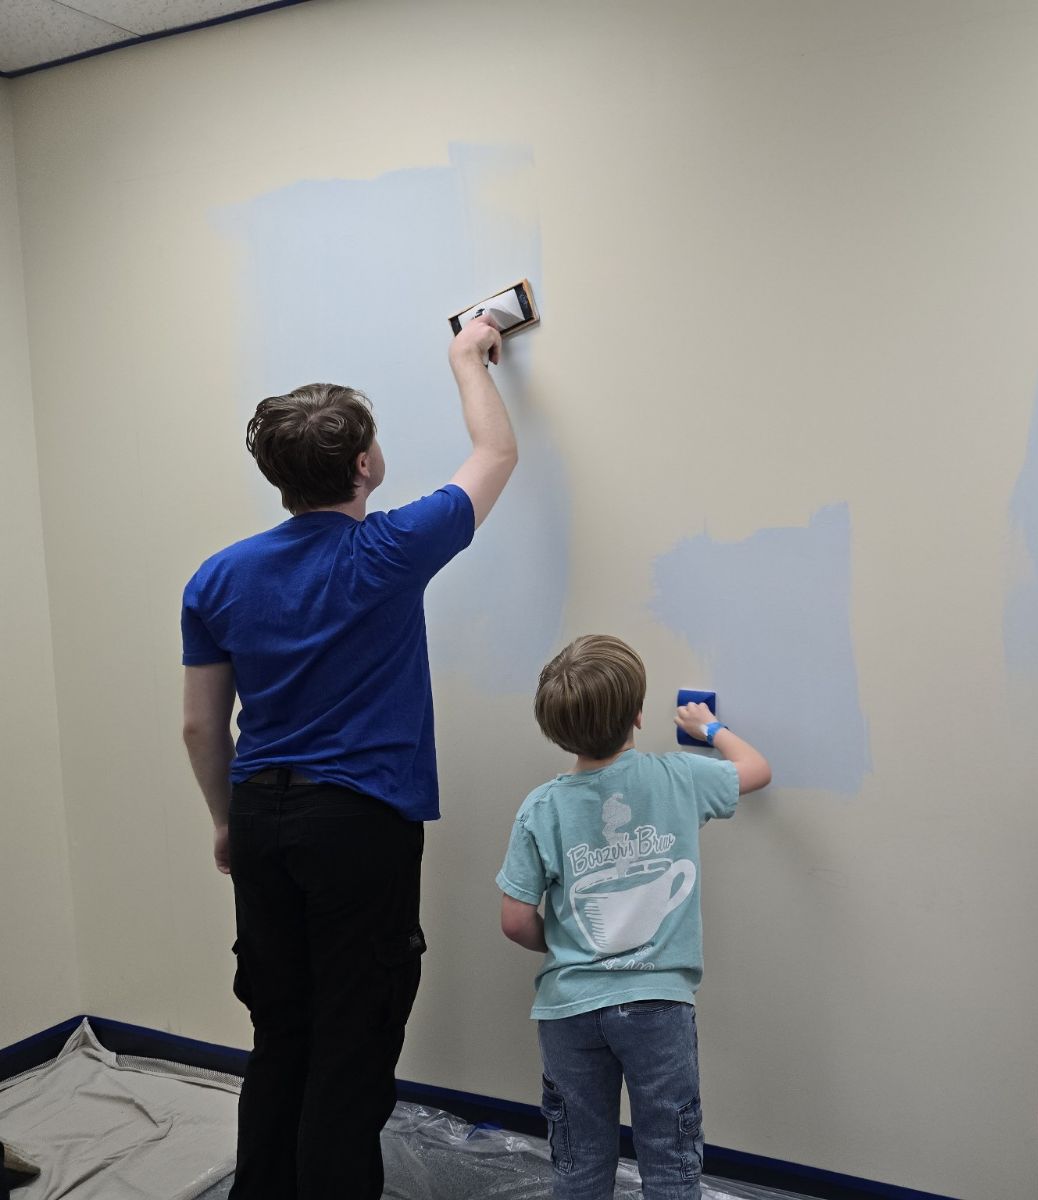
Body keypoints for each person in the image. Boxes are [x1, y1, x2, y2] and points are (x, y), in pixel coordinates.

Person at [180, 315, 516, 1199]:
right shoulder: (391, 548)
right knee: (351, 1039)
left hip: (260, 816)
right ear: (366, 465)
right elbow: (495, 456)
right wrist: (465, 355)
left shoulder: (216, 577)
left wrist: (225, 821)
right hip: (356, 825)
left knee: (281, 1030)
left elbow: (200, 729)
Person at [498, 634, 771, 1199]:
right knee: (669, 1160)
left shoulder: (540, 808)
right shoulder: (677, 778)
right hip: (658, 1009)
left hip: (568, 1009)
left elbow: (515, 919)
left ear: (554, 728)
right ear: (638, 716)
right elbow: (757, 770)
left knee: (580, 1163)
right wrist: (709, 730)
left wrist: (562, 944)